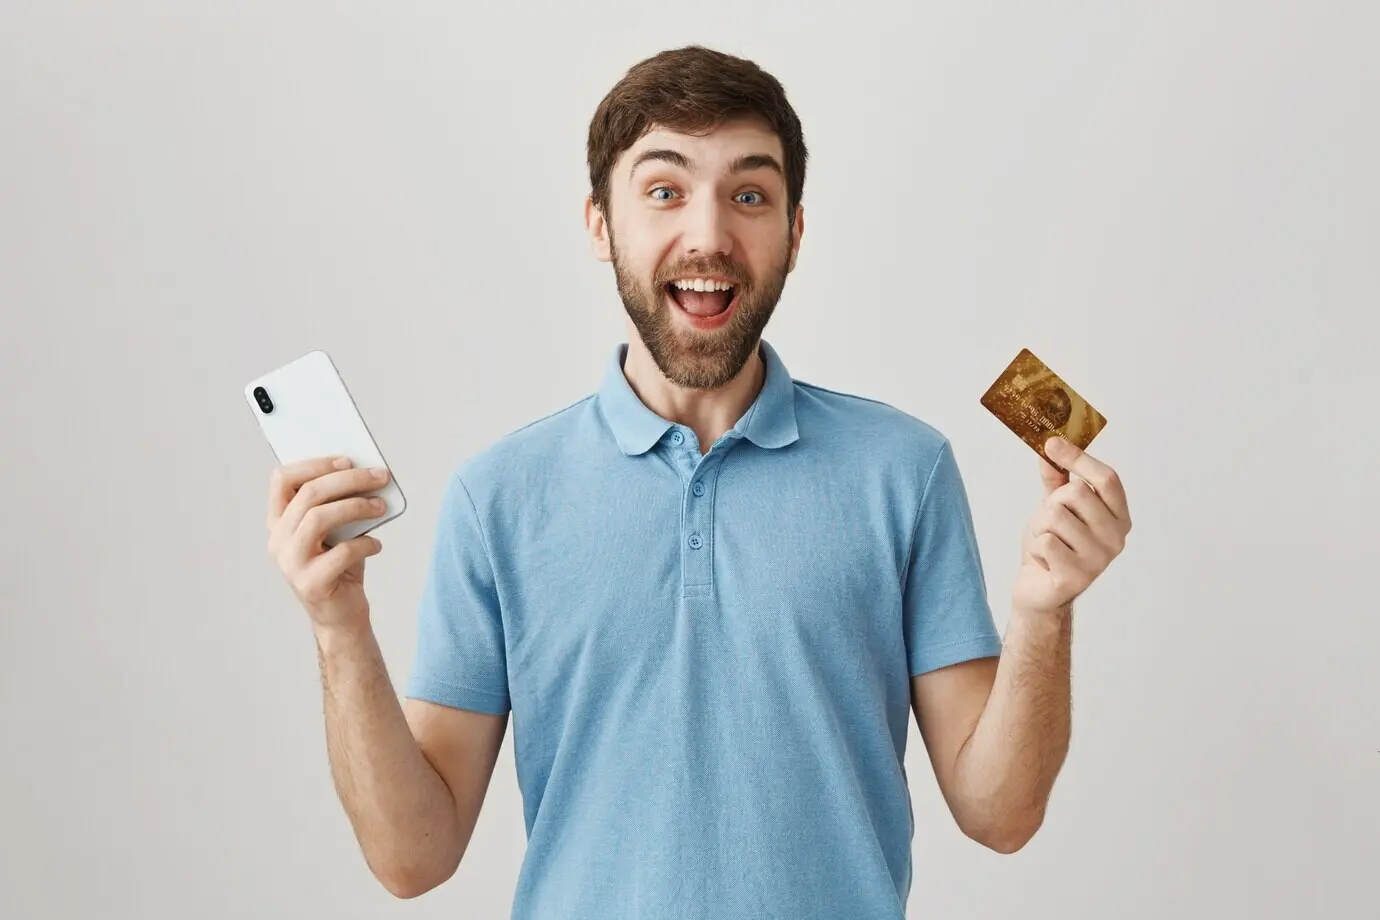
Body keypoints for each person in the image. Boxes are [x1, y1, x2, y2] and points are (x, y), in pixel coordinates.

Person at [264, 44, 1132, 919]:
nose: (710, 235)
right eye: (665, 191)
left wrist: (1043, 611)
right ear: (602, 224)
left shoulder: (904, 472)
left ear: (795, 232)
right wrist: (339, 628)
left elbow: (1000, 813)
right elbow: (413, 858)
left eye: (749, 194)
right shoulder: (497, 498)